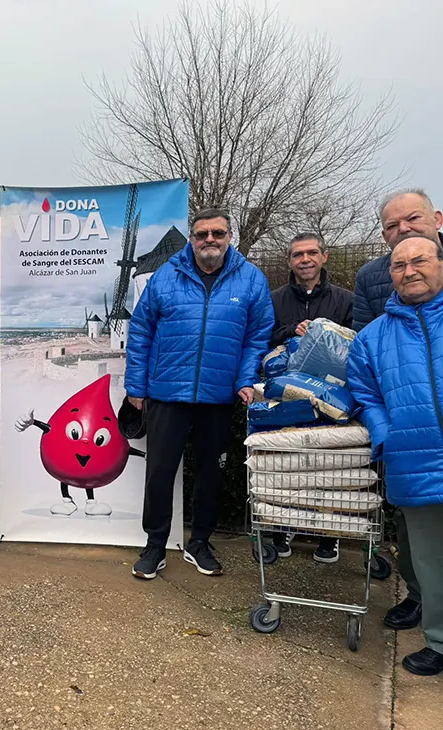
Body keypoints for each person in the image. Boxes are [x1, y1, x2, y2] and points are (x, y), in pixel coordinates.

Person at [125, 208, 274, 579]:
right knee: (159, 473)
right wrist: (135, 387)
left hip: (218, 397)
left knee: (211, 473)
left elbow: (258, 336)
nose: (210, 240)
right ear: (192, 238)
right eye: (202, 234)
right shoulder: (165, 277)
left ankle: (200, 542)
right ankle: (155, 545)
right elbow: (140, 332)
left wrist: (244, 380)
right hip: (166, 394)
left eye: (217, 233)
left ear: (229, 236)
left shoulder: (252, 280)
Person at [348, 233, 443, 676]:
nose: (410, 271)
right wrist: (389, 437)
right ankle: (439, 643)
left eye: (419, 260)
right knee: (428, 558)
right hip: (415, 458)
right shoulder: (371, 338)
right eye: (400, 265)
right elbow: (366, 396)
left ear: (439, 262)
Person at [268, 232, 353, 563]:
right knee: (287, 460)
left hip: (331, 395)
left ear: (324, 256)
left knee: (329, 463)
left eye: (311, 253)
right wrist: (291, 331)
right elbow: (261, 336)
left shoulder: (346, 299)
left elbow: (356, 341)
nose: (305, 259)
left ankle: (327, 533)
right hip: (286, 392)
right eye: (298, 254)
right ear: (290, 260)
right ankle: (283, 527)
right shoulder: (274, 299)